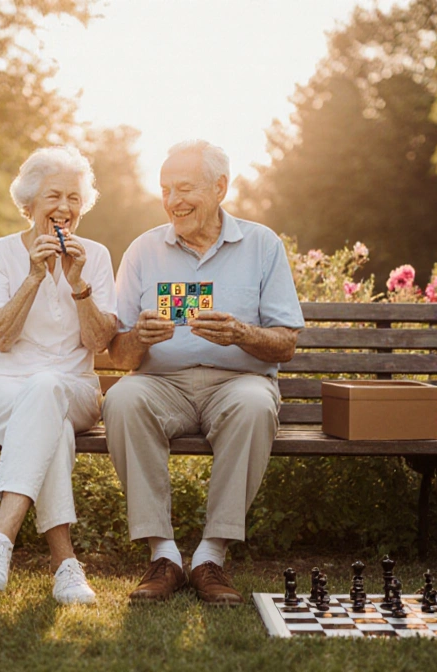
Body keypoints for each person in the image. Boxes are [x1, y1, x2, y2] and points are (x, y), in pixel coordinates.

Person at [103, 139, 305, 605]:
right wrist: (140, 338)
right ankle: (165, 556)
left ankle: (211, 557)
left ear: (219, 187)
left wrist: (240, 333)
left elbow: (287, 343)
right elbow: (119, 355)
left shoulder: (261, 244)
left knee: (256, 404)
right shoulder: (143, 249)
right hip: (161, 384)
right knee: (121, 398)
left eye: (185, 187)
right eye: (166, 189)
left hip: (239, 383)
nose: (174, 200)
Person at [0, 146, 118, 605]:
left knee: (48, 388)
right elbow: (1, 338)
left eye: (74, 198)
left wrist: (78, 283)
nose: (65, 208)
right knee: (52, 426)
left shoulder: (97, 257)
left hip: (75, 391)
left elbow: (97, 342)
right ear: (28, 203)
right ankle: (66, 565)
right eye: (54, 196)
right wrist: (33, 275)